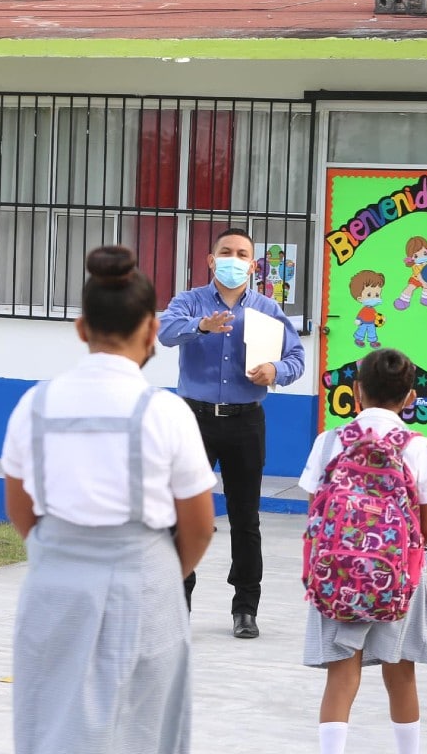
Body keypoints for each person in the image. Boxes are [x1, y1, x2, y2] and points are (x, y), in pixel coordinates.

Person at [2, 246, 217, 754]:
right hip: (145, 586)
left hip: (54, 585)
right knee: (144, 729)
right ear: (150, 330)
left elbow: (20, 507)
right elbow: (200, 525)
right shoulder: (166, 412)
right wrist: (159, 567)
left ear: (81, 328)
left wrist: (64, 550)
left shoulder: (35, 403)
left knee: (50, 722)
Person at [299, 348, 427, 754]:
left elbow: (316, 511)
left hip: (337, 578)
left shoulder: (329, 441)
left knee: (341, 677)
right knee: (401, 675)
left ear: (358, 390)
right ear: (409, 399)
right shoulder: (420, 448)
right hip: (399, 579)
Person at [158, 227, 306, 639]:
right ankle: (177, 604)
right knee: (182, 514)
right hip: (194, 419)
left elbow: (296, 357)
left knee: (245, 518)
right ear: (210, 260)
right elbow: (165, 333)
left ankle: (245, 607)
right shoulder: (188, 303)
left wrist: (276, 370)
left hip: (245, 420)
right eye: (226, 252)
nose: (234, 259)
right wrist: (201, 327)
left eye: (242, 253)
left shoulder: (267, 310)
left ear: (253, 263)